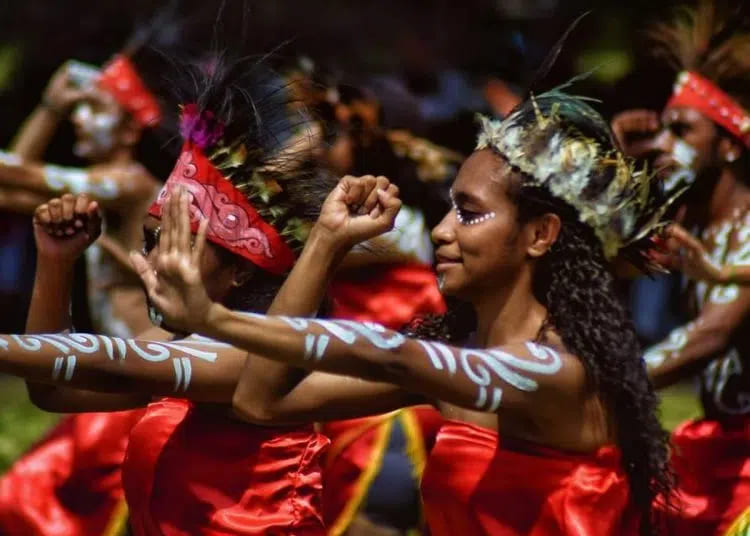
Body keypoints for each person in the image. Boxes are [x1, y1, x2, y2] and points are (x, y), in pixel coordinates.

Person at [133, 88, 678, 536]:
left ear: (540, 234)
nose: (441, 230)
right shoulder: (459, 362)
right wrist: (327, 242)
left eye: (468, 213)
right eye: (449, 208)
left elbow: (394, 358)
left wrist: (213, 319)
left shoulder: (560, 371)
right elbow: (262, 399)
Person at [0, 54, 371, 535]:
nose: (151, 260)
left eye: (172, 243)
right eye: (150, 241)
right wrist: (56, 262)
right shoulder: (180, 345)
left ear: (239, 271)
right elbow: (53, 389)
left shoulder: (245, 358)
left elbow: (99, 364)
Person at [0, 42, 173, 536]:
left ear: (131, 125)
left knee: (24, 496)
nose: (78, 117)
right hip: (116, 385)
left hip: (143, 387)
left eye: (93, 108)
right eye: (76, 108)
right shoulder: (96, 187)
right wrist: (50, 108)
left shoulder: (130, 184)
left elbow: (9, 171)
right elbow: (7, 190)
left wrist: (50, 108)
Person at [288, 64, 455, 535]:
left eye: (332, 131)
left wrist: (283, 156)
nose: (317, 143)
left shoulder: (399, 225)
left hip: (387, 427)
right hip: (348, 408)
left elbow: (277, 244)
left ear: (370, 141)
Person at [612, 1, 750, 533]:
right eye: (663, 130)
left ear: (729, 148)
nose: (665, 145)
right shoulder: (696, 223)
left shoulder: (746, 229)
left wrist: (610, 389)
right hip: (718, 444)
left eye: (683, 131)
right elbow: (597, 262)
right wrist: (619, 161)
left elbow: (709, 337)